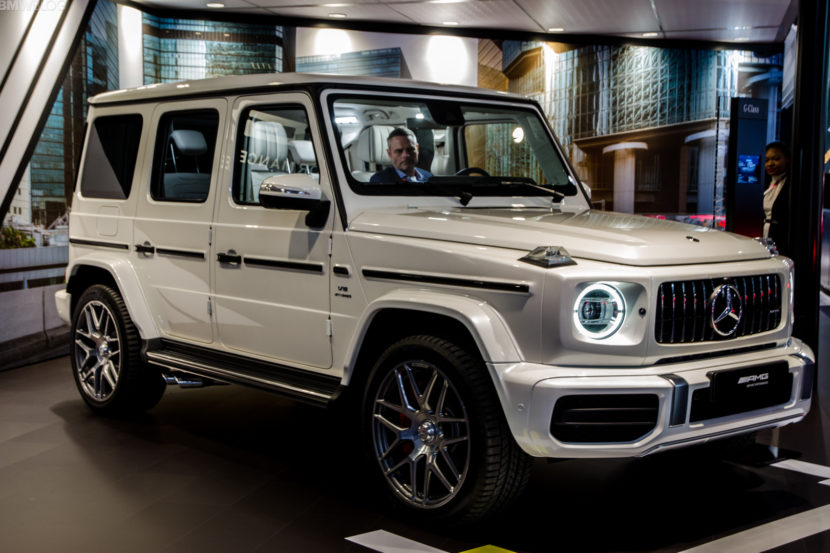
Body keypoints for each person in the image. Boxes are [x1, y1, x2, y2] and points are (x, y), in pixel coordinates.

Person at [762, 141, 790, 249]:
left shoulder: (792, 184)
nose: (770, 164)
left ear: (787, 159)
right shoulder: (764, 183)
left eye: (776, 159)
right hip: (764, 234)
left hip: (782, 237)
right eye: (767, 160)